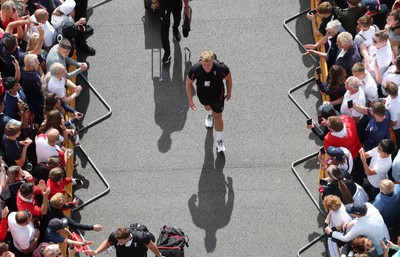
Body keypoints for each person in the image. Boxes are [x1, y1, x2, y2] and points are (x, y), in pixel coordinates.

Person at [186, 51, 232, 153]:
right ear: (201, 61)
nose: (206, 67)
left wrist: (229, 93)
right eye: (204, 64)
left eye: (209, 64)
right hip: (203, 96)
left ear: (213, 61)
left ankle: (219, 141)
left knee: (218, 117)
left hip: (218, 97)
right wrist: (190, 100)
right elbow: (188, 83)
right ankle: (209, 115)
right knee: (207, 107)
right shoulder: (196, 69)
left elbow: (229, 79)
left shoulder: (221, 68)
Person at [325, 202, 390, 256]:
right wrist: (352, 222)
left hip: (381, 249)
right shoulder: (369, 206)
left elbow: (345, 238)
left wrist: (331, 233)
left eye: (351, 212)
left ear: (356, 214)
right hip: (387, 238)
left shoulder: (360, 227)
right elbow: (363, 218)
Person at [84, 226, 164, 257]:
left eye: (120, 241)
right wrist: (96, 252)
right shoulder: (115, 236)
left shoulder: (141, 237)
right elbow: (107, 243)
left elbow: (151, 245)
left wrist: (159, 255)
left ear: (128, 237)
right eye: (117, 240)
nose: (117, 242)